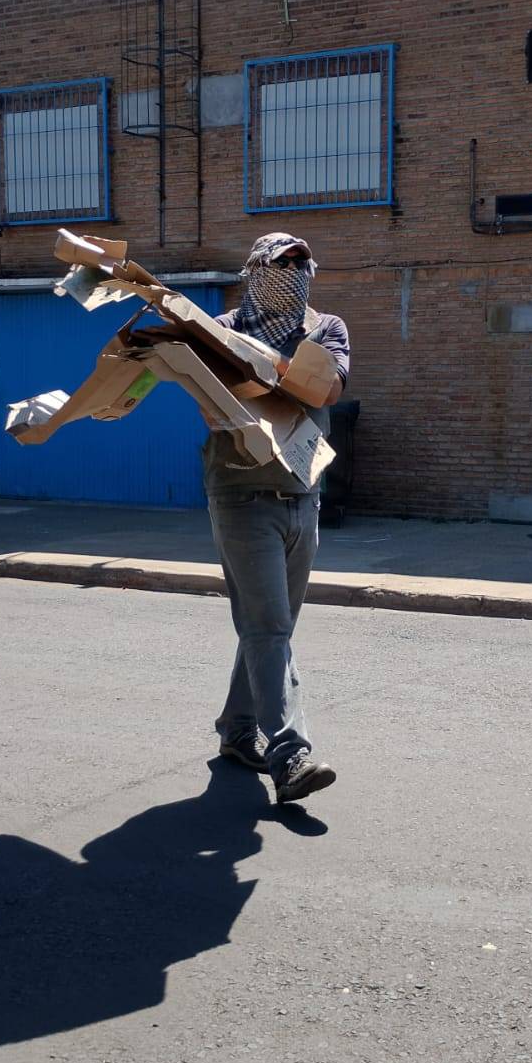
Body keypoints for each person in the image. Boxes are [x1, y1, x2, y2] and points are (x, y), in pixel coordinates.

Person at [204, 232, 350, 805]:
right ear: (256, 270)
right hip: (241, 498)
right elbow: (210, 399)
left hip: (302, 496)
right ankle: (290, 756)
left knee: (271, 628)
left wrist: (267, 367)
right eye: (280, 263)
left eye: (300, 263)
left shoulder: (326, 328)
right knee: (268, 627)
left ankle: (237, 731)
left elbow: (327, 390)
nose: (292, 272)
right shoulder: (220, 330)